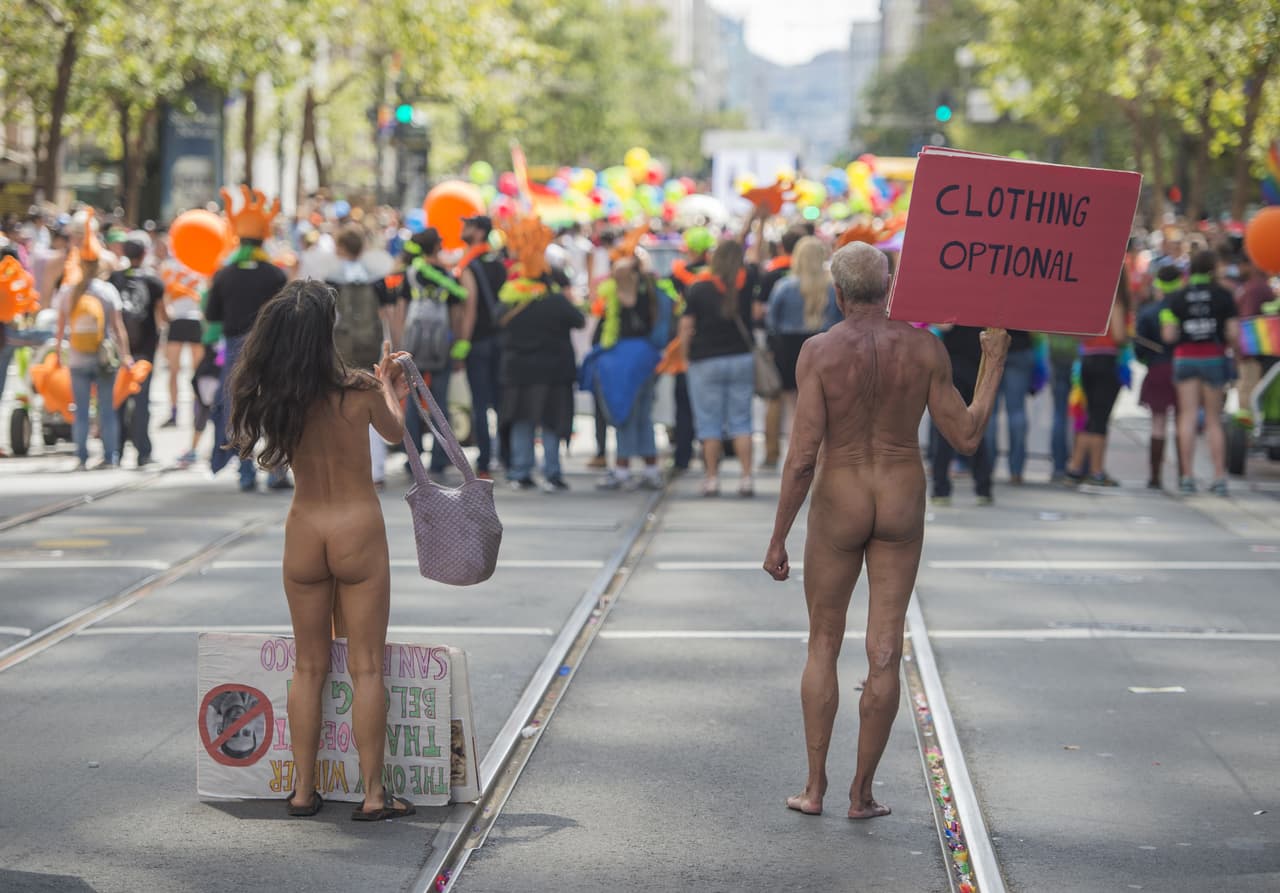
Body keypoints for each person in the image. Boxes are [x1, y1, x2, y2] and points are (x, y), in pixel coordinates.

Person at [764, 242, 1007, 818]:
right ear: (891, 287)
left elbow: (802, 458)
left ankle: (815, 789)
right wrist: (992, 361)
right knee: (884, 649)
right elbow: (967, 436)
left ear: (840, 293)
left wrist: (778, 536)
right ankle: (862, 794)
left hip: (839, 495)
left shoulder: (819, 352)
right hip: (900, 496)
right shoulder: (924, 347)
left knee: (823, 643)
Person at [227, 279, 415, 821]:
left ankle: (304, 790)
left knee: (309, 667)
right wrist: (389, 388)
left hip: (304, 531)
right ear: (327, 329)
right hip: (358, 531)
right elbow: (397, 433)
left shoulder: (278, 395)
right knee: (366, 667)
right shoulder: (357, 390)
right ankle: (374, 794)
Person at [206, 186, 289, 492]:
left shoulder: (224, 274)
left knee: (240, 411)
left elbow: (211, 316)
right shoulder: (275, 274)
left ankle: (245, 473)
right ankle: (277, 471)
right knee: (276, 408)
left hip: (234, 351)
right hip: (270, 349)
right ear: (265, 237)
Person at [497, 216, 585, 492]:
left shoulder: (510, 300)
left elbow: (495, 321)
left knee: (522, 421)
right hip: (553, 373)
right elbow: (579, 320)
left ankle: (521, 472)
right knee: (550, 422)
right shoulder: (556, 301)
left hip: (519, 372)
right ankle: (552, 473)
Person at [582, 254, 676, 491]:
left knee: (624, 414)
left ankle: (623, 470)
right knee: (643, 416)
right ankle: (650, 469)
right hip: (646, 359)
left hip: (622, 363)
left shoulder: (619, 295)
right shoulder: (651, 292)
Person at [679, 233, 760, 497]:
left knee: (708, 423)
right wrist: (756, 222)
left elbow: (686, 326)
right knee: (741, 421)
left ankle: (711, 478)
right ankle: (746, 478)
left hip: (705, 360)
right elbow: (758, 258)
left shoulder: (699, 288)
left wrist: (683, 355)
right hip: (740, 358)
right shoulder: (746, 284)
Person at [53, 210, 133, 470]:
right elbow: (118, 328)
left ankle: (81, 457)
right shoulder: (107, 291)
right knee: (106, 409)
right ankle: (110, 457)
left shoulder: (68, 292)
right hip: (103, 356)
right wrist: (126, 355)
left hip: (77, 355)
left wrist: (56, 352)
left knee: (81, 409)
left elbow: (61, 327)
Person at [1161, 249, 1240, 495]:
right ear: (1213, 268)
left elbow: (1168, 335)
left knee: (1187, 416)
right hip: (1213, 358)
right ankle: (1219, 477)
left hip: (1185, 358)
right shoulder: (1225, 296)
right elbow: (1234, 334)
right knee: (1214, 419)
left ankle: (1187, 476)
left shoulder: (1176, 297)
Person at [398, 227, 467, 480]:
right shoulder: (448, 276)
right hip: (440, 342)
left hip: (413, 340)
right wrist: (459, 344)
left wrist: (398, 343)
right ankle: (440, 458)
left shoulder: (411, 273)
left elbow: (401, 309)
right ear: (437, 247)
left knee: (411, 400)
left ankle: (412, 457)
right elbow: (457, 313)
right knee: (439, 402)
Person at [765, 236, 839, 454]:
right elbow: (841, 319)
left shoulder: (784, 286)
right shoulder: (833, 288)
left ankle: (796, 451)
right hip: (824, 345)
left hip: (789, 347)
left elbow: (772, 321)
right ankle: (818, 450)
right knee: (821, 403)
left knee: (793, 405)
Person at [1064, 276, 1131, 487]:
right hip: (1107, 360)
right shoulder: (1116, 302)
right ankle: (1096, 470)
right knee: (1101, 416)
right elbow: (1119, 335)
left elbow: (1078, 334)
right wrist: (1128, 336)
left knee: (1088, 414)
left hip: (1087, 360)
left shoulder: (1092, 301)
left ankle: (1075, 467)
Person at [455, 214, 508, 480]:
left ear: (477, 232)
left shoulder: (470, 266)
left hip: (478, 343)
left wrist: (462, 343)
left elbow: (470, 309)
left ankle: (485, 461)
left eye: (466, 226)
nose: (462, 229)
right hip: (502, 341)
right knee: (500, 402)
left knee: (479, 403)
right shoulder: (499, 263)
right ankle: (508, 457)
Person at [109, 237, 165, 468]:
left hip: (119, 351)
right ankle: (143, 452)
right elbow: (163, 316)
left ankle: (117, 450)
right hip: (145, 351)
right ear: (144, 254)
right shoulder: (153, 281)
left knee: (118, 400)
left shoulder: (114, 279)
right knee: (142, 402)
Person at [929, 325, 996, 505]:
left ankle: (940, 489)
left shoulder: (953, 299)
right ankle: (984, 488)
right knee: (976, 427)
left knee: (944, 428)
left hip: (952, 366)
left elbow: (943, 325)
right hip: (976, 364)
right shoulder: (986, 299)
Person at [758, 226, 807, 467]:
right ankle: (804, 452)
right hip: (814, 343)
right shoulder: (824, 279)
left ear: (782, 246)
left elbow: (767, 317)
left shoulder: (775, 277)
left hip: (784, 345)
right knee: (807, 401)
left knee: (776, 398)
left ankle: (771, 453)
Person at [1135, 265, 1182, 488]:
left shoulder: (1148, 312)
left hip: (1157, 369)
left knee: (1158, 423)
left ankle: (1155, 477)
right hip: (1183, 367)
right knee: (1185, 421)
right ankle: (1185, 475)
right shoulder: (1185, 309)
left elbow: (1139, 352)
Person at [157, 242, 207, 429]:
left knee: (177, 371)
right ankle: (191, 411)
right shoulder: (200, 265)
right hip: (190, 321)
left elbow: (164, 298)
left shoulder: (169, 267)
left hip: (182, 320)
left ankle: (179, 412)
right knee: (188, 372)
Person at [982, 329, 1034, 484]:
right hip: (1021, 347)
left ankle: (986, 467)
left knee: (989, 413)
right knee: (1017, 412)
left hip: (992, 346)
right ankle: (1016, 471)